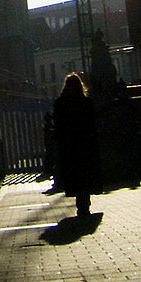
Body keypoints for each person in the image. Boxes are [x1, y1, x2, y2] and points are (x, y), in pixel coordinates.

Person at [52, 71, 102, 218]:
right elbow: (93, 123)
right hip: (85, 144)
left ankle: (80, 202)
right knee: (86, 174)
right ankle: (85, 203)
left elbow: (58, 126)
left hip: (69, 146)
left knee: (74, 175)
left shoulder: (60, 103)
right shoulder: (86, 103)